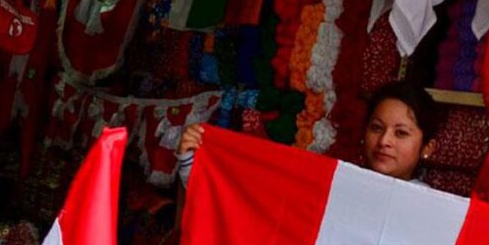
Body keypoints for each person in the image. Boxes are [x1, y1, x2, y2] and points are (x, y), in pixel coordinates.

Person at [176, 80, 442, 185]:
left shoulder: (433, 212)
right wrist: (193, 164)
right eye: (376, 128)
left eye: (401, 133)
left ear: (428, 147)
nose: (384, 141)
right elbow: (250, 208)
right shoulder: (335, 183)